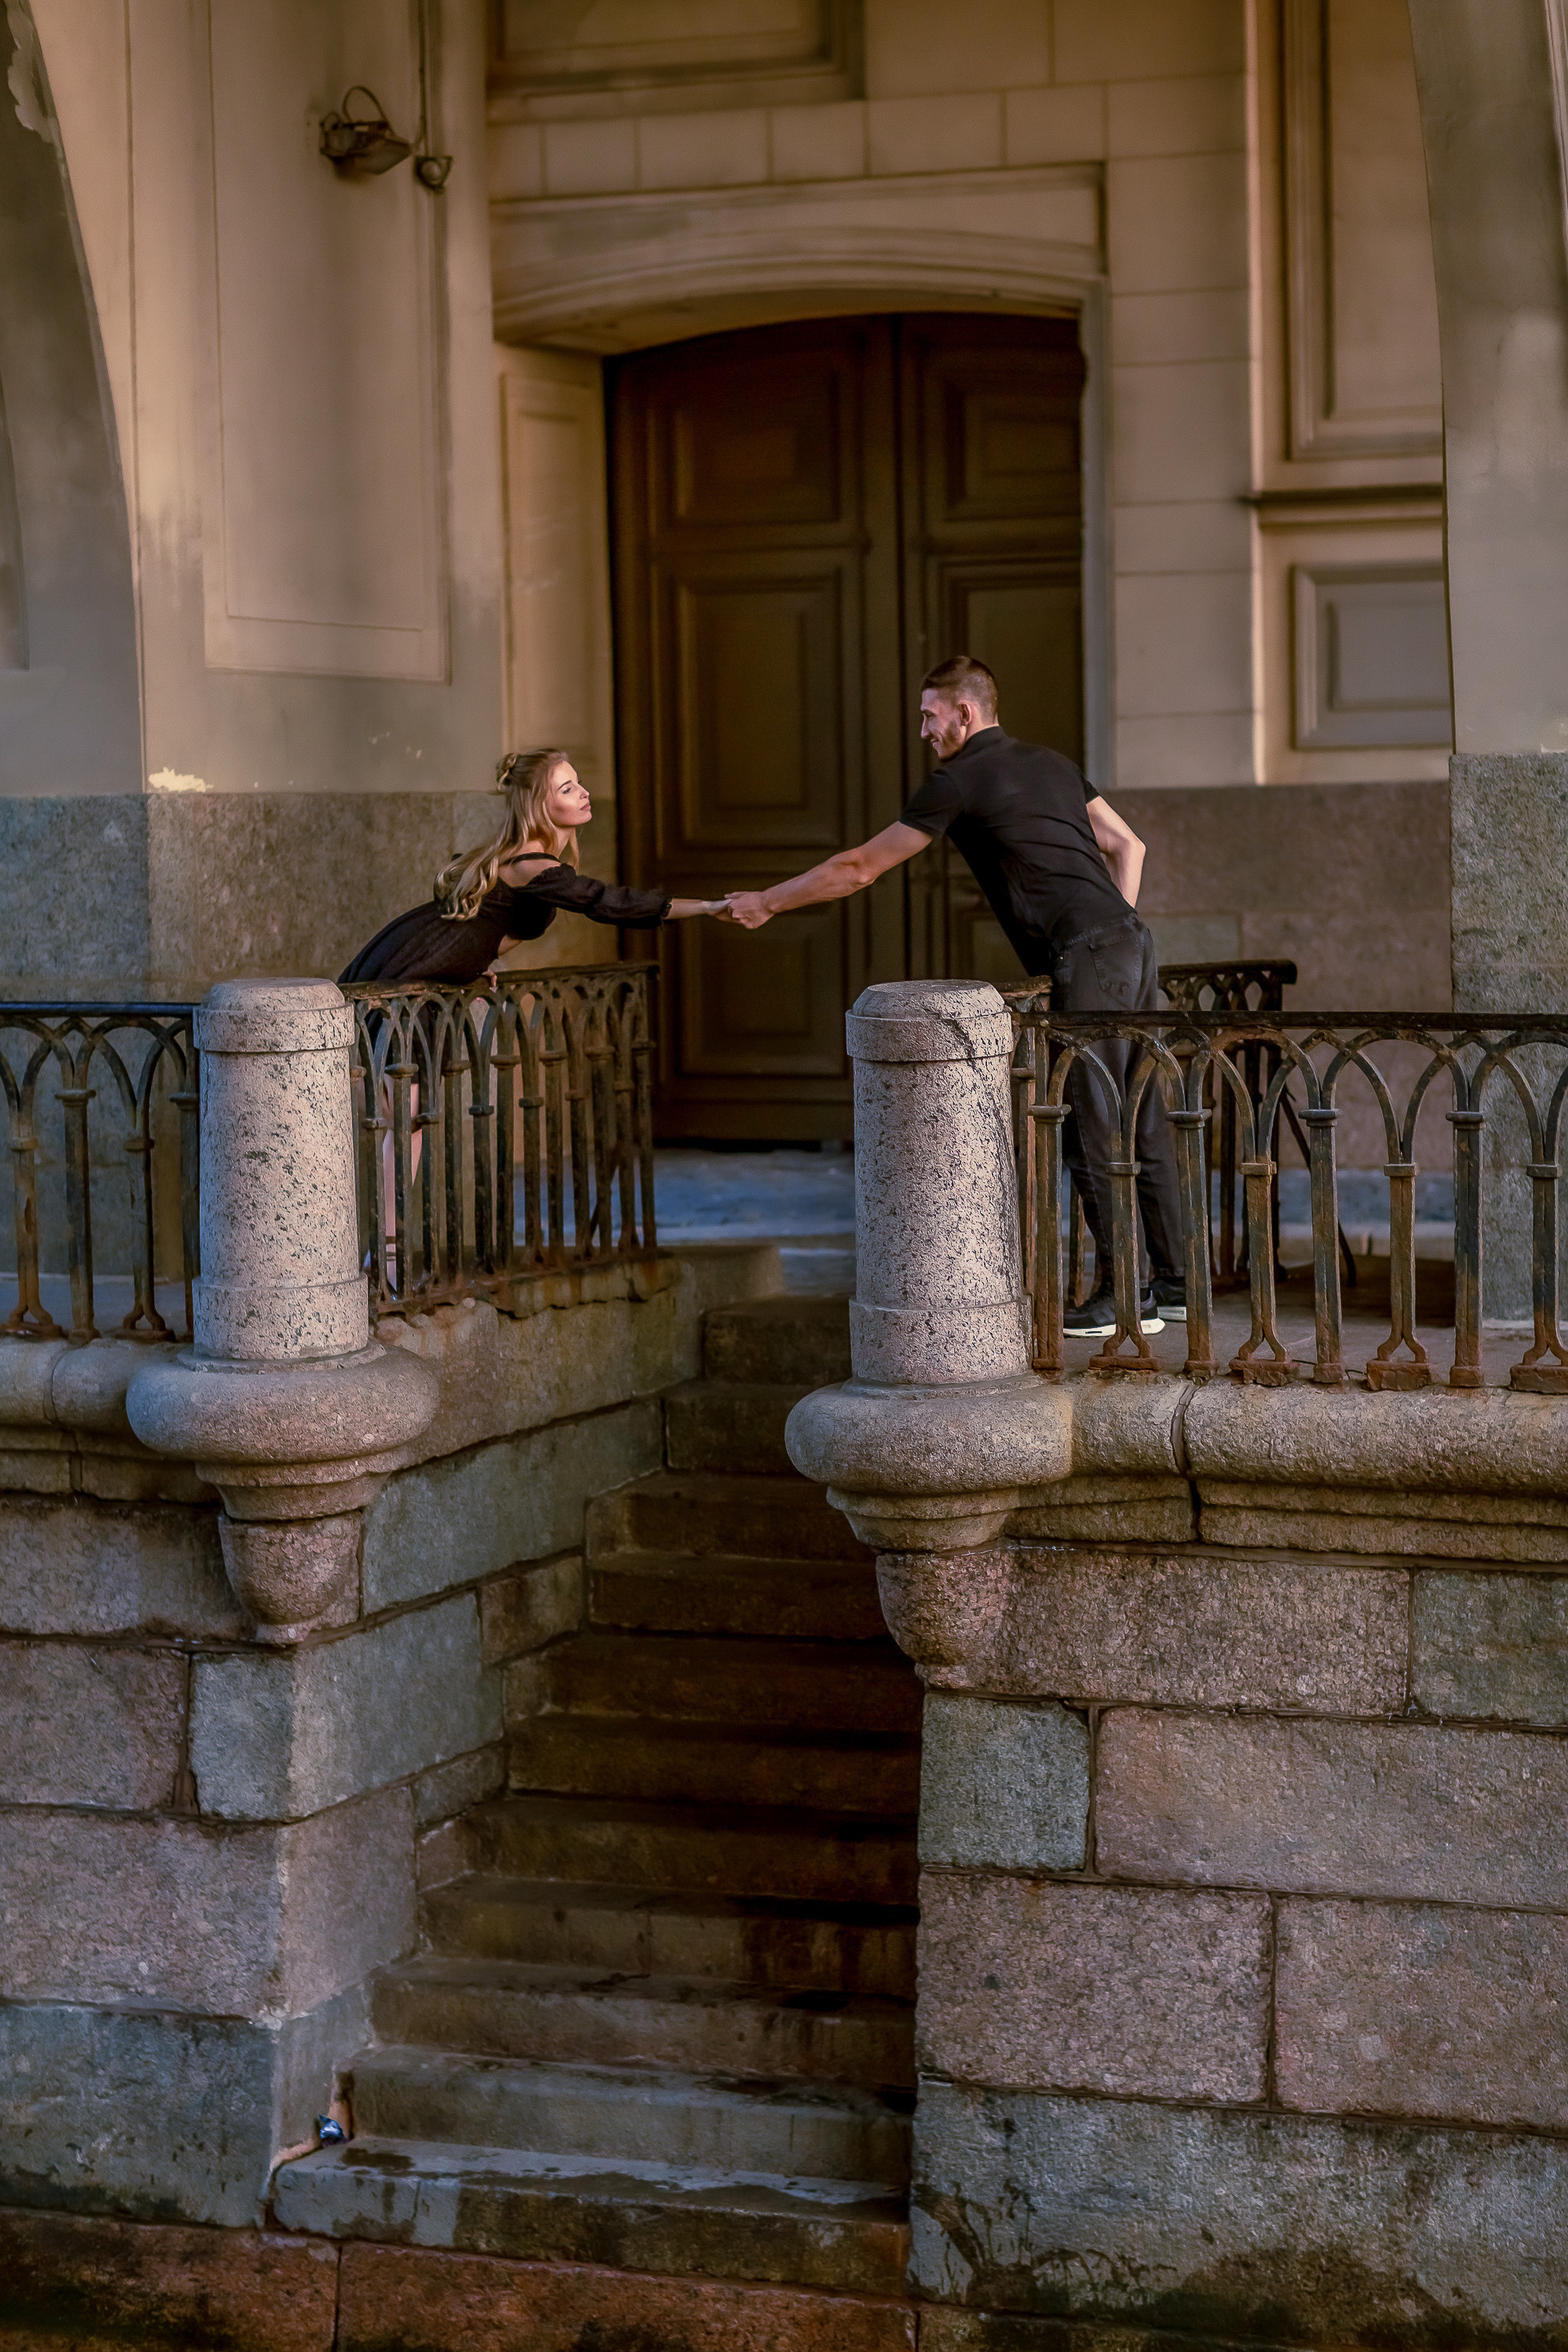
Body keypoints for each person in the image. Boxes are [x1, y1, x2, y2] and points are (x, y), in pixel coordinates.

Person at [721, 655, 1185, 1338]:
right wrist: (1112, 925)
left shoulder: (958, 779)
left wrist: (767, 901)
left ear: (964, 713)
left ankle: (1126, 1296)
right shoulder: (1052, 761)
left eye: (928, 715)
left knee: (1092, 1126)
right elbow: (1129, 844)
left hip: (1091, 953)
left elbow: (857, 869)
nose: (923, 730)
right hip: (1131, 940)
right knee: (1139, 1116)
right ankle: (1175, 1284)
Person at [339, 745, 723, 985]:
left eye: (578, 783)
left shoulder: (519, 857)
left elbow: (483, 927)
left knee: (402, 1099)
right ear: (540, 805)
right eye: (567, 789)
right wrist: (707, 907)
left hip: (424, 959)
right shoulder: (531, 866)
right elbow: (605, 901)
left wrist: (473, 963)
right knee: (399, 1097)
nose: (585, 793)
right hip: (417, 963)